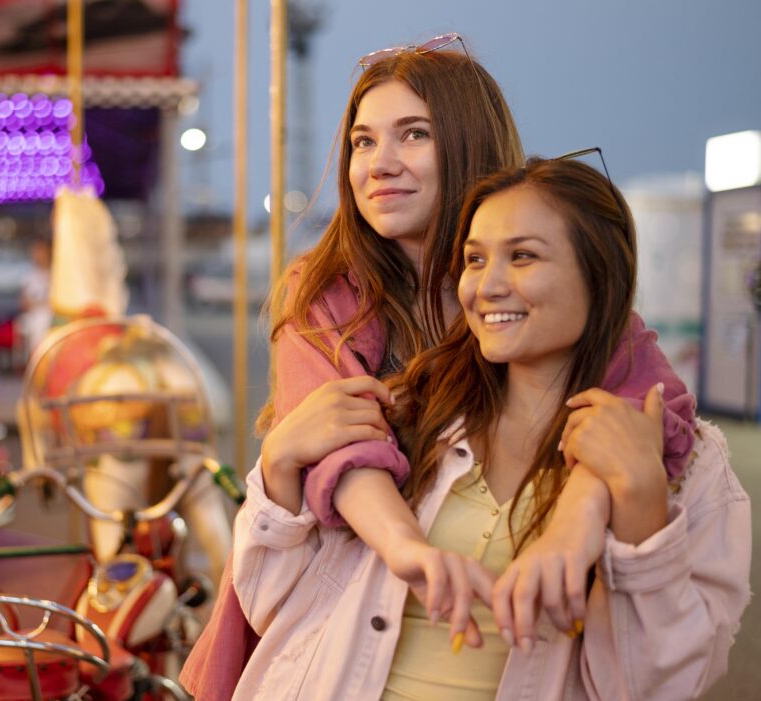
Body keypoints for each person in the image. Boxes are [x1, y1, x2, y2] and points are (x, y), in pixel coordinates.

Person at [180, 38, 695, 698]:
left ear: (469, 142)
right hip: (330, 625)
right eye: (363, 142)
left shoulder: (541, 298)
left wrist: (574, 518)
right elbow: (344, 446)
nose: (379, 164)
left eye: (413, 134)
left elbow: (649, 412)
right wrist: (408, 548)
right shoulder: (325, 290)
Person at [230, 157, 750, 700]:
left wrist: (641, 507)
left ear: (600, 275)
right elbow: (272, 603)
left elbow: (662, 686)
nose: (487, 286)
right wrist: (278, 468)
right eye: (475, 260)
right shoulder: (408, 412)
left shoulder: (688, 466)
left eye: (522, 256)